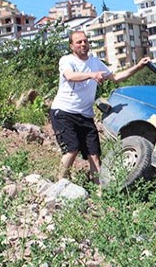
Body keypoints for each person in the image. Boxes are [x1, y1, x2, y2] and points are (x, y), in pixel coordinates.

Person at [50, 30, 150, 184]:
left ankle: (100, 193)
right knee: (72, 148)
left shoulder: (95, 62)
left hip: (85, 115)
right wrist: (92, 75)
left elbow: (115, 77)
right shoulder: (66, 60)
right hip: (64, 112)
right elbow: (70, 76)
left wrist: (138, 67)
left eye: (85, 41)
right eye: (79, 42)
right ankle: (60, 182)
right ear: (72, 46)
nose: (83, 44)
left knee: (94, 155)